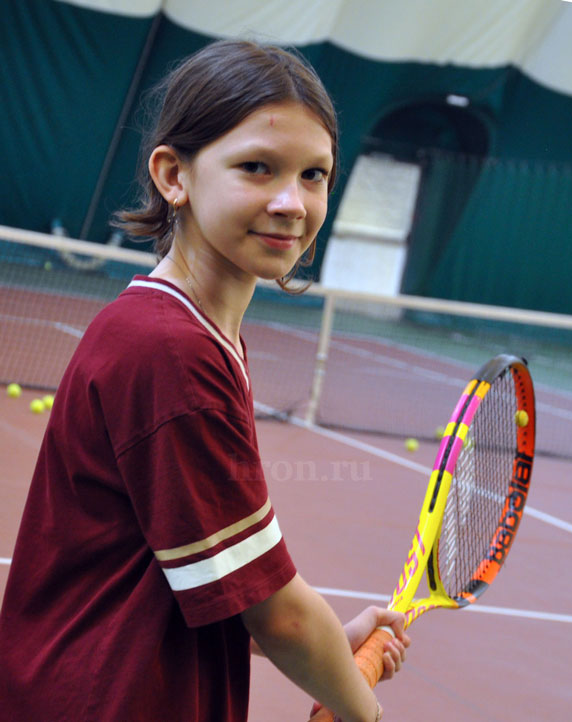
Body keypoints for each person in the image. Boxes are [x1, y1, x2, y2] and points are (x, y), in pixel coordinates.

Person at [0, 39, 410, 721]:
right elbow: (277, 616)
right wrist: (362, 711)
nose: (291, 201)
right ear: (173, 175)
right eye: (257, 167)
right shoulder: (170, 352)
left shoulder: (186, 334)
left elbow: (213, 582)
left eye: (315, 175)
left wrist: (335, 651)